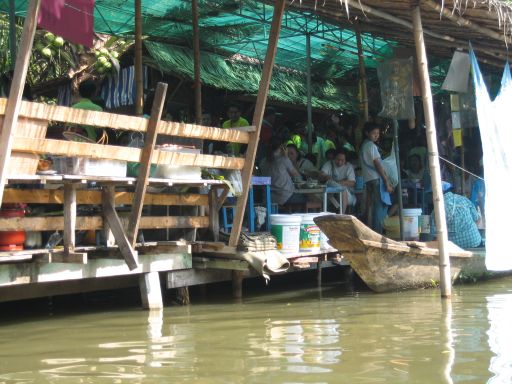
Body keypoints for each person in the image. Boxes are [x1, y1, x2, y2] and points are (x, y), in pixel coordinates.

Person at [360, 122, 393, 233]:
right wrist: (386, 181)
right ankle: (378, 233)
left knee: (371, 207)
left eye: (378, 133)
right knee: (380, 208)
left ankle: (371, 231)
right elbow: (378, 164)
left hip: (368, 180)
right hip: (376, 180)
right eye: (374, 133)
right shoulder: (371, 146)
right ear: (366, 133)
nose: (376, 135)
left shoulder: (363, 145)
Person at [433, 182, 483, 248]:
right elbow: (477, 219)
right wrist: (468, 231)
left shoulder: (436, 209)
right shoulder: (464, 199)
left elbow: (435, 235)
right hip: (475, 242)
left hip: (453, 247)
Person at [260, 139, 306, 207]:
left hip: (269, 198)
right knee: (308, 199)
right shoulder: (284, 159)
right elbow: (296, 175)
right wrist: (286, 156)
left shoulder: (263, 162)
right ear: (281, 147)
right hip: (285, 197)